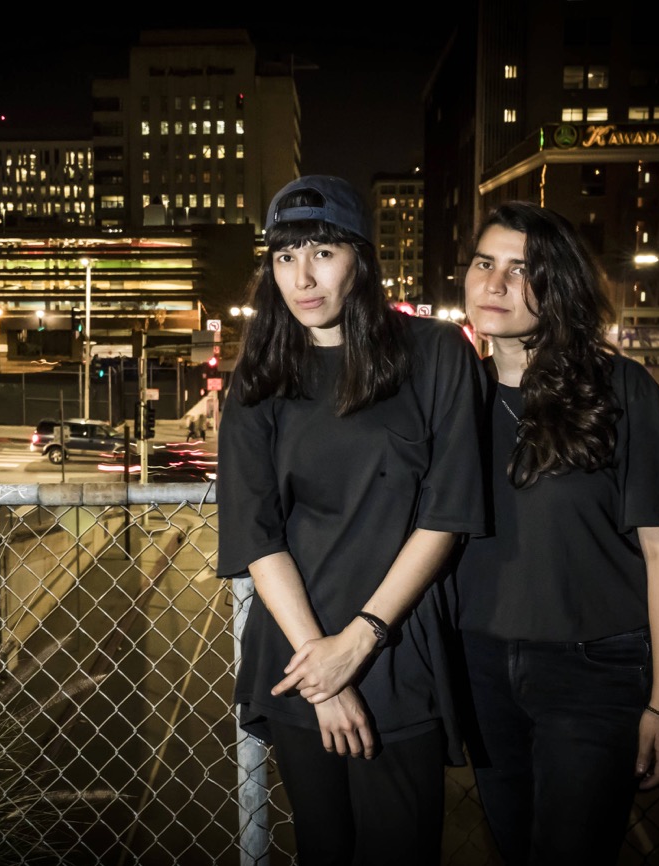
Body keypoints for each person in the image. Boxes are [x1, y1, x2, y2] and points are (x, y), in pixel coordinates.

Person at [216, 175, 488, 864]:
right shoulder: (259, 374)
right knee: (324, 848)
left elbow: (447, 515)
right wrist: (321, 670)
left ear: (361, 259)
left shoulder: (436, 353)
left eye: (322, 252)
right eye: (284, 256)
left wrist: (358, 643)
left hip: (397, 651)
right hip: (296, 654)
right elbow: (256, 534)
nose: (302, 277)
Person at [451, 201, 659, 865]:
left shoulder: (621, 390)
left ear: (559, 285)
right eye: (484, 263)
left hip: (592, 670)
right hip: (479, 666)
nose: (495, 284)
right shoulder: (454, 396)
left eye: (521, 269)